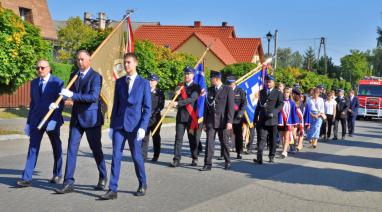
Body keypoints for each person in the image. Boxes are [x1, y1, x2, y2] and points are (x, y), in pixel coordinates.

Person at [100, 52, 151, 200]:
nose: (126, 65)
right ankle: (112, 189)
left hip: (135, 127)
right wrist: (111, 125)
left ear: (136, 63)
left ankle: (142, 183)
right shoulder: (120, 82)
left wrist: (143, 127)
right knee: (116, 156)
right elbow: (116, 105)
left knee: (136, 156)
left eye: (129, 62)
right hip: (119, 125)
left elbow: (147, 109)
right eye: (125, 63)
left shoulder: (143, 83)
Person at [55, 50, 107, 194]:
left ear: (89, 60)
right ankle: (68, 182)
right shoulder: (74, 75)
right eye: (78, 59)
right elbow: (68, 94)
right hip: (77, 119)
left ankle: (103, 176)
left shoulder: (96, 77)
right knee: (71, 150)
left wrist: (72, 95)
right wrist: (64, 98)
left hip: (92, 119)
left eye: (82, 59)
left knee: (96, 150)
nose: (80, 62)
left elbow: (92, 97)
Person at [17, 60, 64, 187]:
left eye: (42, 68)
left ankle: (58, 173)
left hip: (51, 120)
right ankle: (26, 177)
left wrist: (54, 119)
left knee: (56, 146)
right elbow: (33, 104)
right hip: (36, 121)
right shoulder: (34, 82)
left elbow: (60, 102)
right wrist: (28, 122)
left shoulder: (57, 82)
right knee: (32, 148)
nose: (40, 70)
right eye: (37, 68)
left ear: (49, 68)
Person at [200, 71, 234, 171]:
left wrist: (229, 121)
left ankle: (227, 162)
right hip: (211, 121)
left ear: (217, 79)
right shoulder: (209, 90)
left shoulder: (228, 89)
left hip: (223, 121)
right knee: (209, 143)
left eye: (211, 79)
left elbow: (230, 107)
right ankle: (207, 164)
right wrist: (205, 122)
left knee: (224, 142)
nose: (210, 81)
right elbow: (206, 107)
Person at [171, 66, 201, 167]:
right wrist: (176, 93)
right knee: (178, 138)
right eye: (185, 74)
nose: (186, 75)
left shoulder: (196, 87)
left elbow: (191, 99)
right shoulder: (180, 86)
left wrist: (178, 103)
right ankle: (176, 159)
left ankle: (194, 157)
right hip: (180, 116)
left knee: (192, 138)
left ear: (192, 75)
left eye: (188, 74)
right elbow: (173, 99)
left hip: (191, 117)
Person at [253, 75, 284, 164]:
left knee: (272, 140)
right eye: (267, 82)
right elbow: (258, 106)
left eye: (270, 82)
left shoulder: (278, 93)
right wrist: (255, 119)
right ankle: (259, 158)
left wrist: (274, 112)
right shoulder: (261, 92)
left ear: (273, 83)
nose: (268, 83)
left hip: (273, 120)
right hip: (262, 120)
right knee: (261, 139)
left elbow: (281, 105)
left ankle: (271, 156)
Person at [141, 73, 165, 162]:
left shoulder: (160, 93)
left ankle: (156, 155)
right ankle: (143, 156)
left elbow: (161, 105)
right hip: (145, 118)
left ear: (156, 82)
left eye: (152, 80)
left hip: (155, 118)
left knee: (156, 137)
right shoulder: (144, 91)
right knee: (144, 137)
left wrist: (153, 113)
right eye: (149, 80)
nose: (150, 82)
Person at [227, 76, 247, 159]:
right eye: (228, 83)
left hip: (237, 116)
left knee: (238, 135)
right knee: (224, 134)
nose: (230, 85)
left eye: (231, 83)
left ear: (235, 82)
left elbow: (244, 103)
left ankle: (239, 152)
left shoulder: (240, 90)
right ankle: (223, 153)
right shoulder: (225, 90)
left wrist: (240, 113)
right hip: (227, 116)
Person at [278, 87, 297, 158]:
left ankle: (284, 151)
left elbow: (293, 113)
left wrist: (294, 123)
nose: (286, 94)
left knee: (286, 137)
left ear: (290, 94)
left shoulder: (292, 103)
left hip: (288, 122)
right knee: (282, 137)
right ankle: (284, 149)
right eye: (285, 92)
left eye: (287, 92)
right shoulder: (280, 101)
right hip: (280, 121)